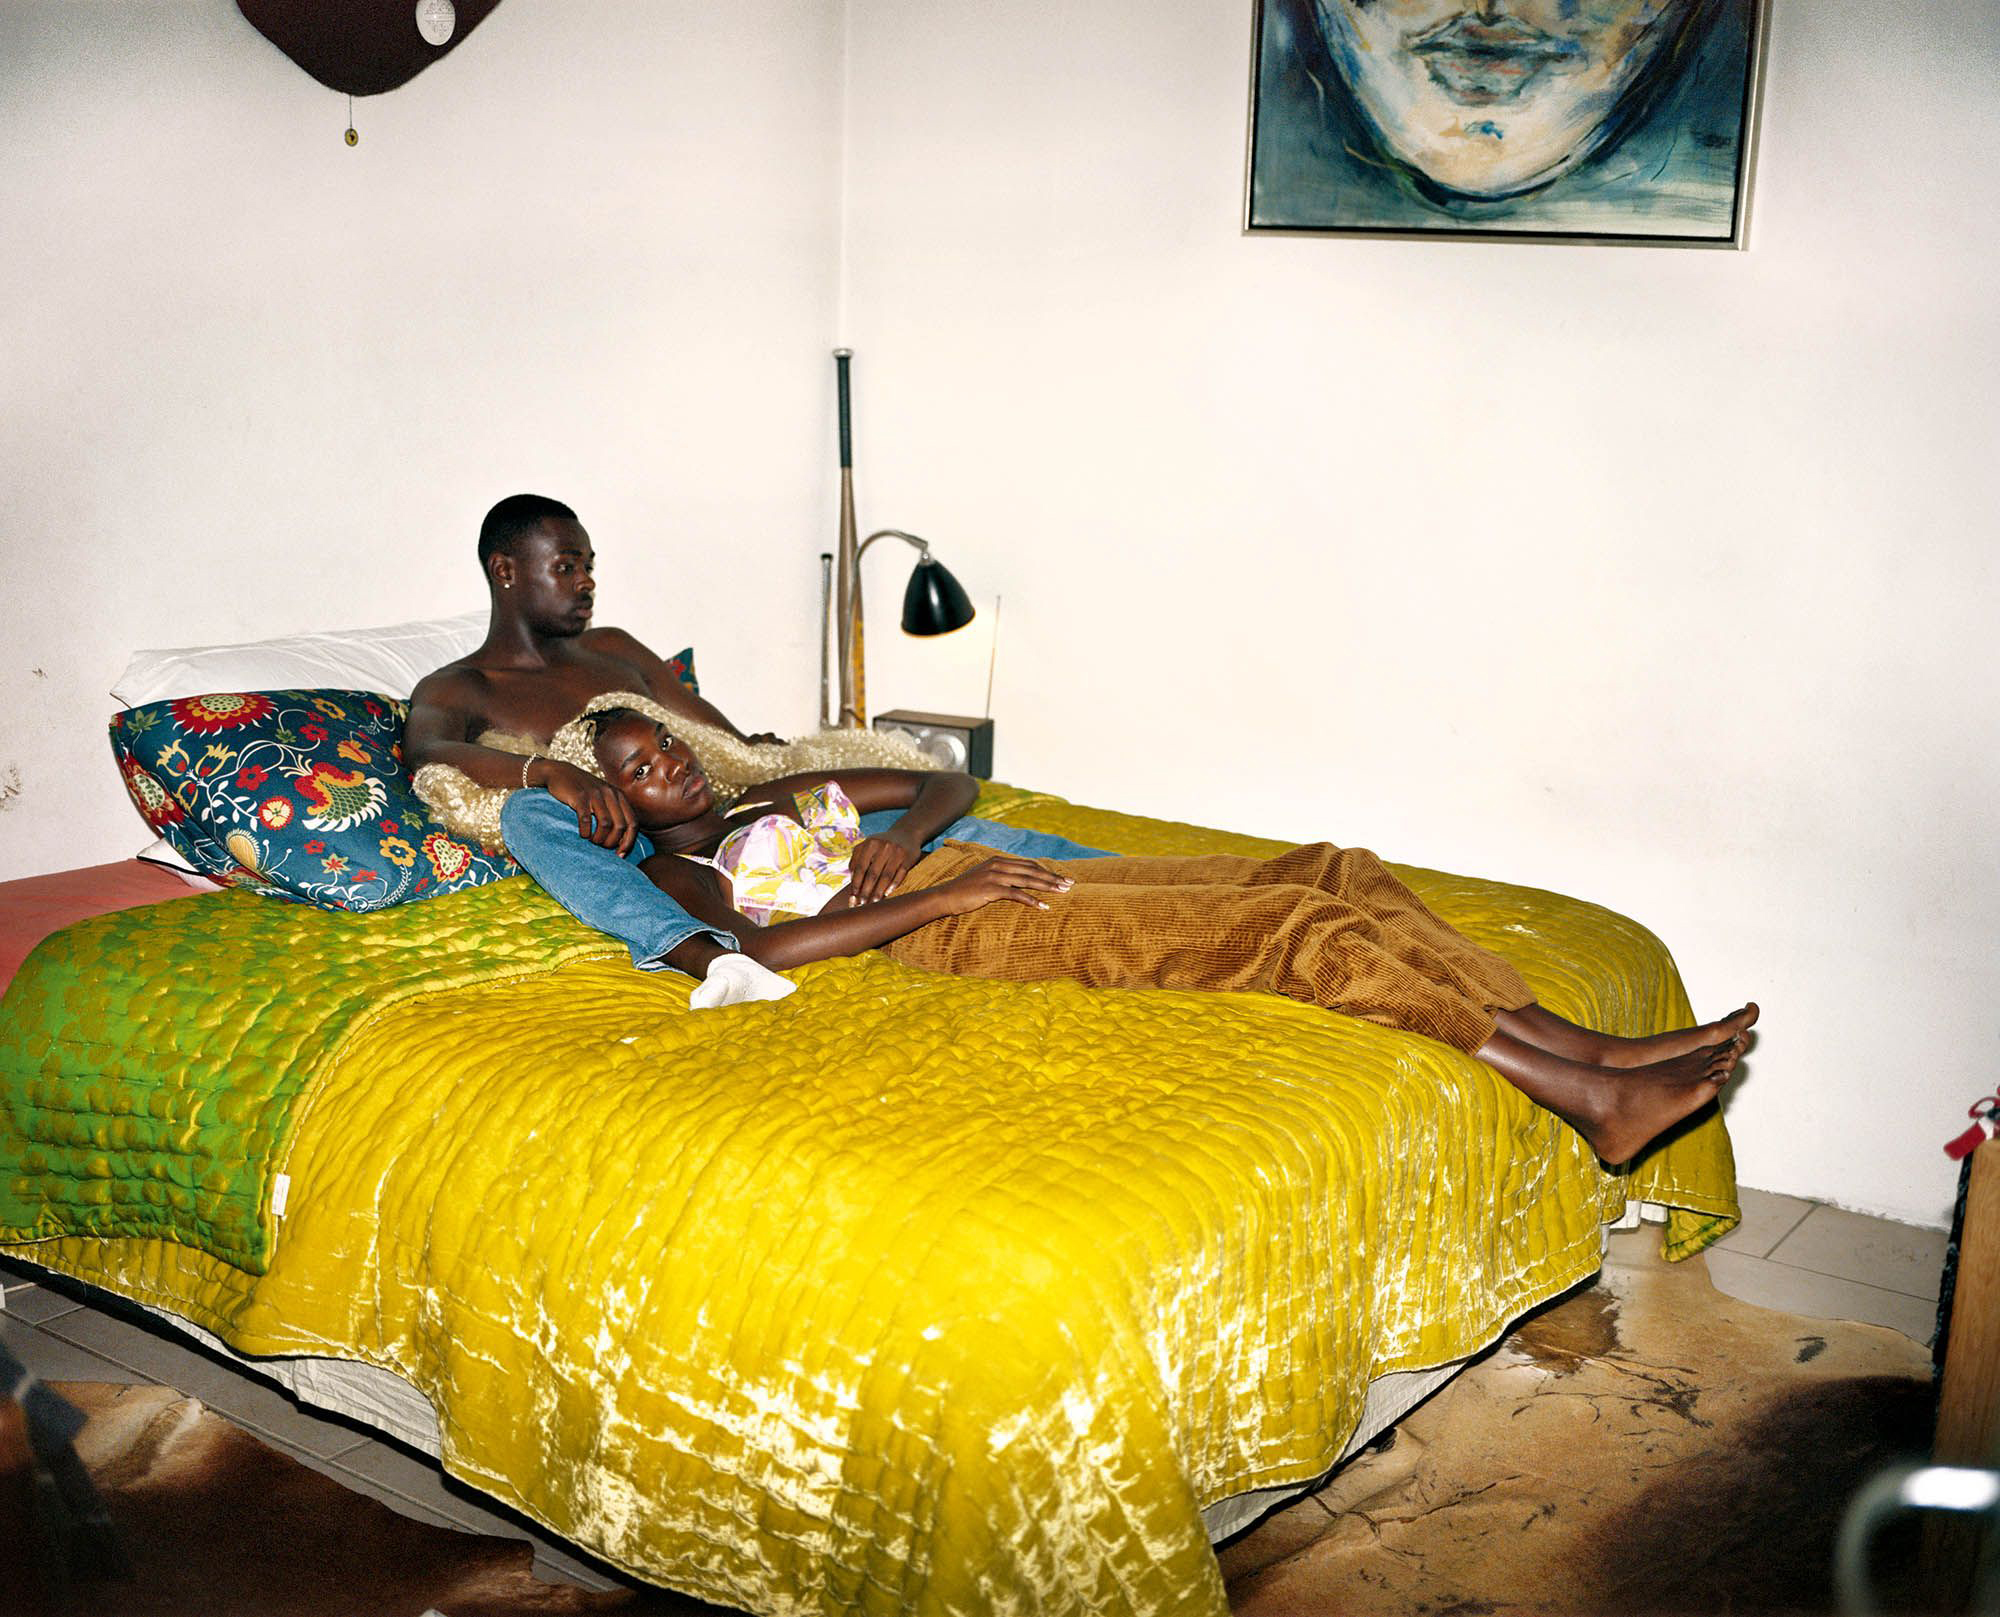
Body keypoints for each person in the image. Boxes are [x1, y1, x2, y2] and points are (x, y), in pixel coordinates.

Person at [580, 703, 1757, 1167]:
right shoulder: (681, 872)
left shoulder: (775, 795)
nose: (668, 768)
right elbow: (761, 959)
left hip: (971, 867)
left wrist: (907, 839)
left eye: (668, 746)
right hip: (957, 931)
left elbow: (936, 777)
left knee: (1333, 871)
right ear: (623, 803)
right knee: (1291, 932)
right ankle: (1581, 1097)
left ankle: (1591, 1051)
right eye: (639, 770)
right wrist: (929, 900)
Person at [404, 495, 1109, 991]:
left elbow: (701, 725)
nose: (587, 582)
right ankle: (702, 953)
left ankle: (1120, 875)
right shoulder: (461, 685)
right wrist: (547, 771)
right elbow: (429, 753)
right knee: (530, 814)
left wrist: (757, 754)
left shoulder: (611, 649)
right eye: (567, 567)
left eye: (589, 565)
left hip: (717, 814)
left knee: (915, 824)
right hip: (633, 847)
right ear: (506, 570)